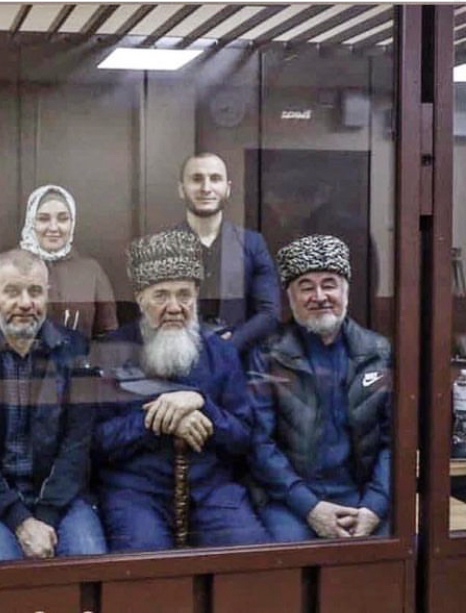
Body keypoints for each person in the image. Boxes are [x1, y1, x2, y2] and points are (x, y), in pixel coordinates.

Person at [91, 229, 270, 551]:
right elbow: (96, 442)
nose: (174, 307)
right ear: (140, 298)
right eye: (161, 295)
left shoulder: (221, 352)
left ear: (196, 296)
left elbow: (243, 437)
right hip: (135, 492)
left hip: (212, 490)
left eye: (184, 294)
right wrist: (160, 419)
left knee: (248, 559)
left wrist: (202, 404)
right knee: (145, 566)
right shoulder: (111, 351)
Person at [0, 249, 106, 610]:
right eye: (12, 292)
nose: (25, 303)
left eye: (35, 292)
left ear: (47, 296)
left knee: (90, 572)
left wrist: (46, 516)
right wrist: (21, 521)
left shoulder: (73, 349)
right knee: (2, 584)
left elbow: (77, 444)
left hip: (59, 497)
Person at [248, 235, 391, 542]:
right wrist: (310, 507)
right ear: (290, 296)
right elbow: (259, 443)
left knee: (392, 552)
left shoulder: (378, 353)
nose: (320, 296)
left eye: (329, 284)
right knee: (291, 555)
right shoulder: (267, 354)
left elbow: (395, 442)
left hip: (363, 497)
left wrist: (374, 506)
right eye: (306, 287)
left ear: (346, 290)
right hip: (289, 500)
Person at [175, 152, 280, 354]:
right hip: (178, 356)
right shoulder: (162, 246)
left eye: (215, 179)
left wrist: (227, 346)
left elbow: (269, 313)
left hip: (238, 358)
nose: (206, 188)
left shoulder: (253, 244)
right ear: (181, 189)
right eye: (196, 179)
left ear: (228, 188)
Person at [20, 184, 117, 340]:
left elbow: (108, 334)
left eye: (63, 219)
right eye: (43, 219)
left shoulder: (90, 271)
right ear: (31, 222)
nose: (53, 227)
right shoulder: (12, 267)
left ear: (72, 223)